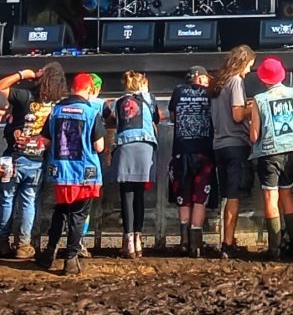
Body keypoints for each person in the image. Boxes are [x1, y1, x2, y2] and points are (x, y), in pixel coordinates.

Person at [43, 72, 108, 273]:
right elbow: (99, 146)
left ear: (72, 88)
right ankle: (70, 259)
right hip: (84, 173)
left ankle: (49, 252)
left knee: (61, 211)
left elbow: (45, 141)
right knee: (79, 216)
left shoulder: (56, 110)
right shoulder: (90, 112)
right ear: (89, 90)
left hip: (61, 171)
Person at [245, 55, 293, 260]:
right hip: (290, 150)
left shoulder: (259, 100)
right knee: (287, 194)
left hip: (267, 153)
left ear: (263, 79)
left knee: (271, 197)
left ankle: (275, 248)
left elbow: (254, 135)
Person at [0, 73, 51, 258]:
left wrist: (23, 73)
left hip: (13, 157)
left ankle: (2, 241)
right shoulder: (54, 104)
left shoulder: (24, 96)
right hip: (36, 159)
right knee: (29, 202)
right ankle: (23, 245)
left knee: (7, 200)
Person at [210, 46, 258, 256]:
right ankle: (228, 243)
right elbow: (238, 115)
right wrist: (254, 107)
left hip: (219, 145)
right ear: (243, 62)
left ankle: (225, 239)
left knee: (226, 196)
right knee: (234, 196)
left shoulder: (217, 83)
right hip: (236, 144)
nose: (248, 71)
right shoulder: (236, 81)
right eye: (249, 66)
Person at [168, 66, 216, 256]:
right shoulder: (209, 94)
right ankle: (196, 244)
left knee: (184, 198)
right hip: (203, 152)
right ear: (199, 78)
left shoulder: (178, 91)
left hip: (181, 152)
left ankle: (184, 241)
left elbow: (173, 117)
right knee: (200, 198)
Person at [109, 68, 157, 258]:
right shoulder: (149, 99)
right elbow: (155, 119)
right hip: (145, 147)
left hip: (124, 147)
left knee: (126, 195)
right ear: (143, 83)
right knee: (139, 195)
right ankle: (138, 240)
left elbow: (112, 120)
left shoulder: (118, 103)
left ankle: (128, 241)